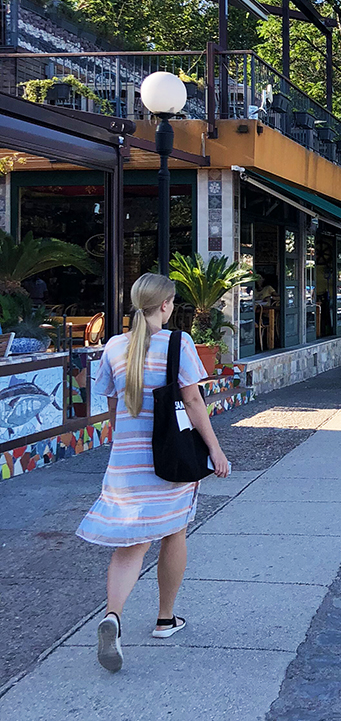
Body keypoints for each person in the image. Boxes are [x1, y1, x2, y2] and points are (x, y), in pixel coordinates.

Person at [76, 273, 231, 673]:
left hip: (126, 462)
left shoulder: (114, 347)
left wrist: (121, 442)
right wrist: (215, 450)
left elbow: (111, 408)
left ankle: (113, 617)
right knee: (174, 531)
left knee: (130, 544)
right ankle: (165, 619)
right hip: (169, 458)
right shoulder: (178, 344)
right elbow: (194, 402)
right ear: (165, 305)